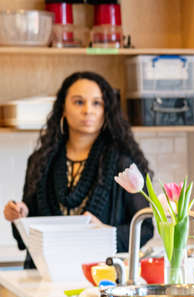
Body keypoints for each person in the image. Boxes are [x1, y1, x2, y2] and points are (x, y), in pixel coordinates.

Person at [4, 71, 152, 266]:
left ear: (106, 111)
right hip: (44, 275)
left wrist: (106, 233)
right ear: (63, 108)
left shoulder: (122, 164)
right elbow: (27, 236)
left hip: (102, 276)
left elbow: (145, 228)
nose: (88, 110)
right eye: (79, 102)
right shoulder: (40, 161)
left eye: (97, 103)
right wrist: (20, 216)